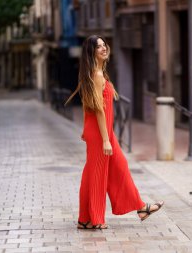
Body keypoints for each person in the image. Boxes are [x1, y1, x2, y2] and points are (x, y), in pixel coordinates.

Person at [65, 35, 164, 229]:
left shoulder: (98, 73)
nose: (103, 48)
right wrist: (104, 140)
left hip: (103, 133)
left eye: (104, 45)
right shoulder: (97, 75)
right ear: (91, 52)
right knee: (97, 174)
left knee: (115, 167)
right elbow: (99, 110)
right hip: (101, 134)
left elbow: (89, 106)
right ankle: (94, 219)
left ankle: (137, 208)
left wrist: (97, 133)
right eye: (98, 46)